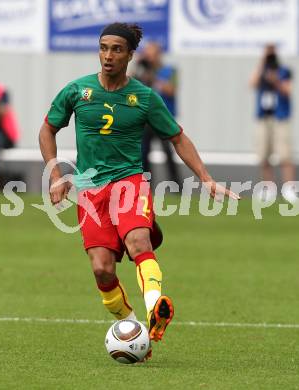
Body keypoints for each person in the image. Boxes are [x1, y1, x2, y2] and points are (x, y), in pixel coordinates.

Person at [39, 23, 239, 359]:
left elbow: (178, 137)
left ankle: (154, 307)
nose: (108, 55)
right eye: (104, 47)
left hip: (129, 182)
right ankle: (135, 331)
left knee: (138, 242)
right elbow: (47, 128)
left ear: (130, 55)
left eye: (117, 49)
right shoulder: (77, 91)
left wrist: (205, 178)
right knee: (102, 268)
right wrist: (56, 175)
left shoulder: (145, 98)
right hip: (90, 190)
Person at [250, 44, 297, 202]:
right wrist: (262, 62)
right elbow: (252, 83)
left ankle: (289, 188)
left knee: (285, 155)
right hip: (264, 117)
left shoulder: (284, 71)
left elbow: (287, 90)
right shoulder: (262, 70)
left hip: (280, 117)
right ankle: (268, 188)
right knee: (264, 154)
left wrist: (275, 80)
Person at [134, 41, 182, 188]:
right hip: (145, 118)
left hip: (163, 118)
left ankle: (176, 185)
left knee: (168, 152)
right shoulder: (141, 72)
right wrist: (138, 67)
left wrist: (153, 75)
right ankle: (146, 185)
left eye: (152, 54)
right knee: (144, 152)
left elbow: (171, 90)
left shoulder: (170, 71)